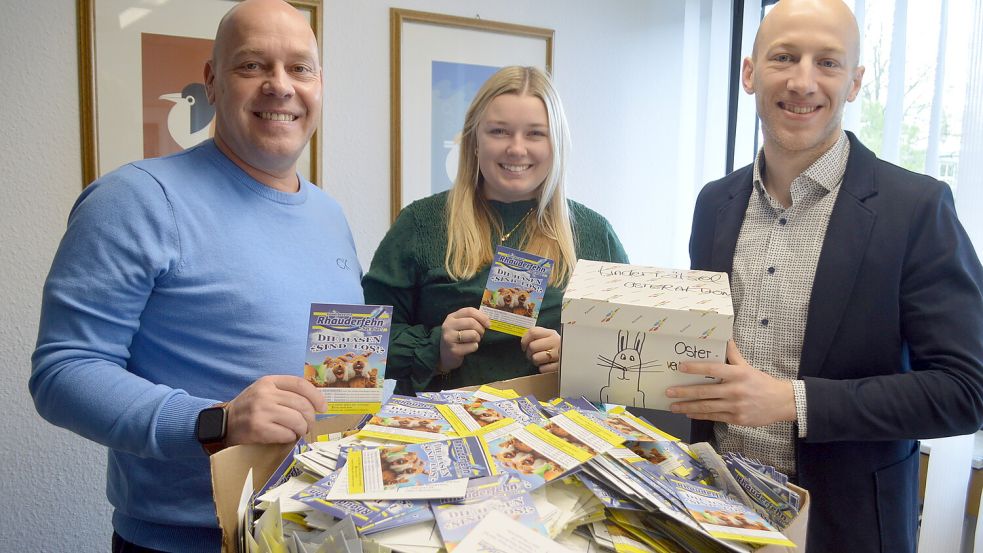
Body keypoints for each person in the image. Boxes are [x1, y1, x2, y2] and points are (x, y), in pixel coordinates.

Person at [29, 1, 363, 551]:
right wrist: (216, 421)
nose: (280, 86)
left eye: (299, 68)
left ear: (319, 84)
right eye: (252, 65)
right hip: (187, 540)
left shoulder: (330, 214)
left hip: (322, 529)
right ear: (211, 82)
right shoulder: (136, 198)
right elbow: (63, 373)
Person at [671, 1, 983, 551]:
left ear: (856, 82)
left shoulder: (917, 209)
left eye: (829, 62)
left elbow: (966, 391)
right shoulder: (713, 202)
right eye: (784, 57)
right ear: (750, 73)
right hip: (711, 512)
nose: (802, 81)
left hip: (846, 527)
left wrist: (793, 402)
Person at [362, 66, 628, 394]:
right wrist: (437, 349)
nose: (516, 149)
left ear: (556, 144)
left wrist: (577, 359)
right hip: (439, 435)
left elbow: (629, 352)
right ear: (474, 141)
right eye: (499, 131)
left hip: (555, 437)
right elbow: (365, 344)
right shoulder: (419, 223)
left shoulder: (595, 234)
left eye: (535, 134)